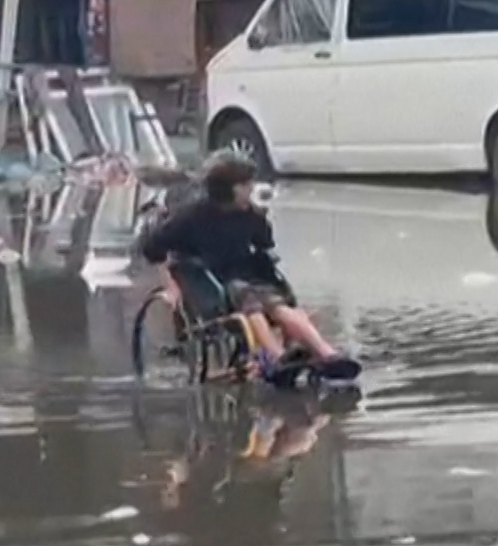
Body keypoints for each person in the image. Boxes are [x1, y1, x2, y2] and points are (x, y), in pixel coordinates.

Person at [140, 153, 360, 385]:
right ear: (229, 189)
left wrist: (260, 222)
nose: (251, 189)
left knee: (281, 308)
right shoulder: (191, 216)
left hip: (250, 275)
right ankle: (276, 356)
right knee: (252, 306)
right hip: (216, 281)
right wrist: (171, 286)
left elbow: (264, 242)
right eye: (245, 185)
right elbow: (153, 247)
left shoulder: (249, 214)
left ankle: (326, 354)